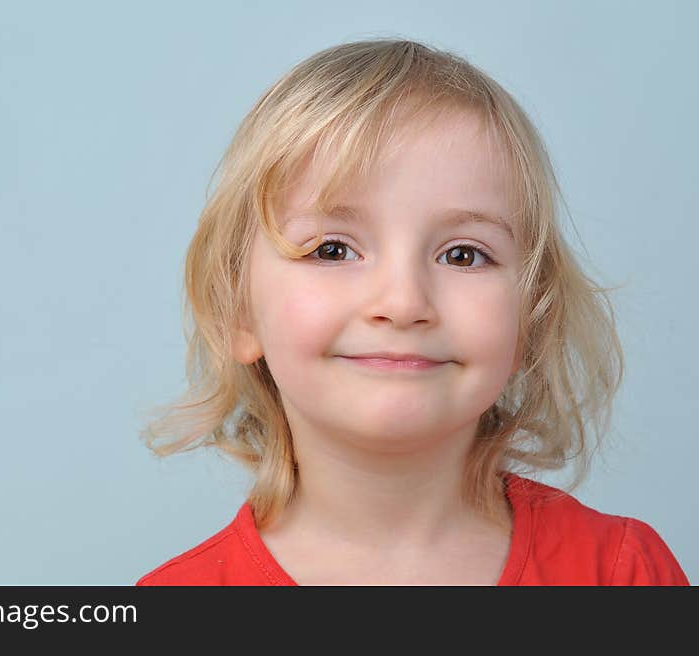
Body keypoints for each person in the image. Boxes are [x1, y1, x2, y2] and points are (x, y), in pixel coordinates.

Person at [135, 38, 689, 585]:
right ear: (239, 311)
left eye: (463, 254)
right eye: (332, 250)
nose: (403, 304)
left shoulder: (619, 573)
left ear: (530, 315)